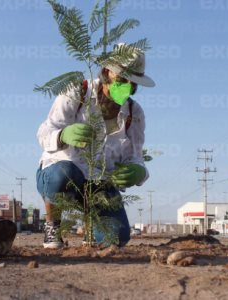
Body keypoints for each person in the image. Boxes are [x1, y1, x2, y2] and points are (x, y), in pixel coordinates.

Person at [36, 44, 155, 249]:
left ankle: (92, 224)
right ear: (107, 72)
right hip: (63, 174)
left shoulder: (135, 113)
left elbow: (135, 156)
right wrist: (63, 135)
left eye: (132, 83)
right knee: (63, 173)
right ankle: (52, 226)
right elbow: (44, 132)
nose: (126, 86)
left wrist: (139, 172)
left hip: (99, 182)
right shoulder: (77, 92)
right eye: (121, 79)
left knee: (115, 238)